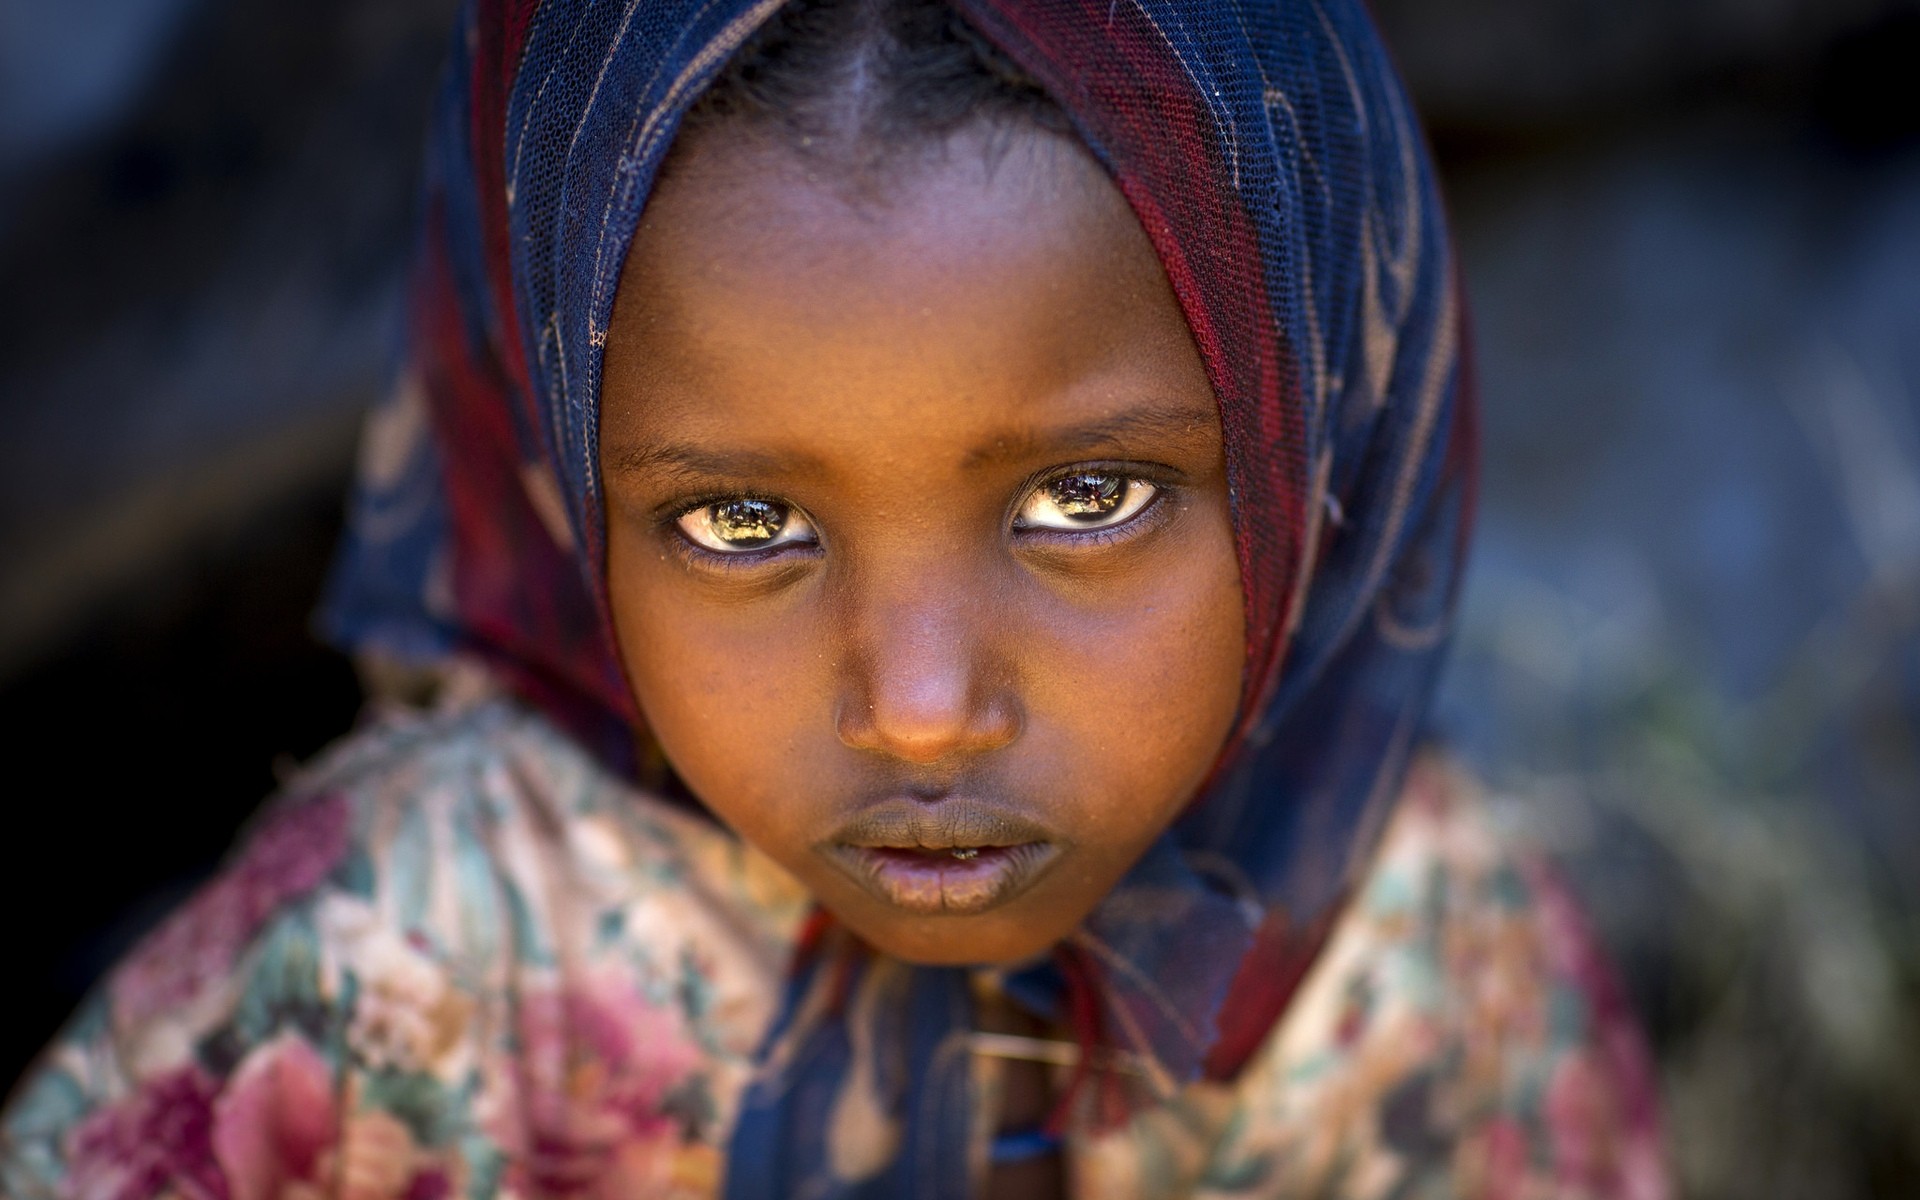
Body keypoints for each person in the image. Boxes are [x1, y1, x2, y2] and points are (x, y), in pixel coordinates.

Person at [0, 1, 1669, 1197]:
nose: (923, 702)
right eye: (738, 521)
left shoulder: (1435, 989)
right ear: (563, 485)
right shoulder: (390, 988)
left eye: (1087, 498)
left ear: (1323, 451)